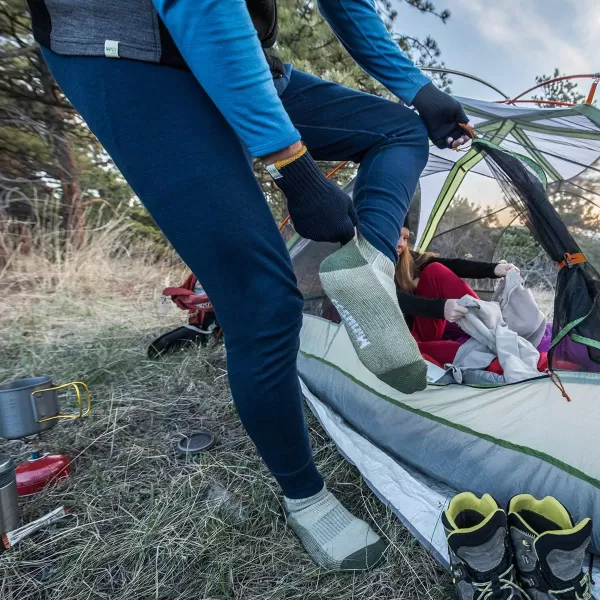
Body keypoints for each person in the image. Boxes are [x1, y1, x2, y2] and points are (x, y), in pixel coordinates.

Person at [29, 0, 471, 571]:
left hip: (239, 52)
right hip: (129, 58)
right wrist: (295, 168)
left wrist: (418, 88)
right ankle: (304, 494)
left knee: (397, 130)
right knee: (263, 302)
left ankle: (370, 268)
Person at [395, 221, 518, 364]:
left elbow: (452, 265)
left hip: (423, 329)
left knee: (435, 269)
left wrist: (494, 269)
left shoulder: (406, 259)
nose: (401, 244)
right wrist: (441, 307)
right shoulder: (367, 268)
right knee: (473, 355)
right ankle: (496, 346)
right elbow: (389, 297)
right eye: (395, 235)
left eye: (405, 238)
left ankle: (492, 324)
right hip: (404, 342)